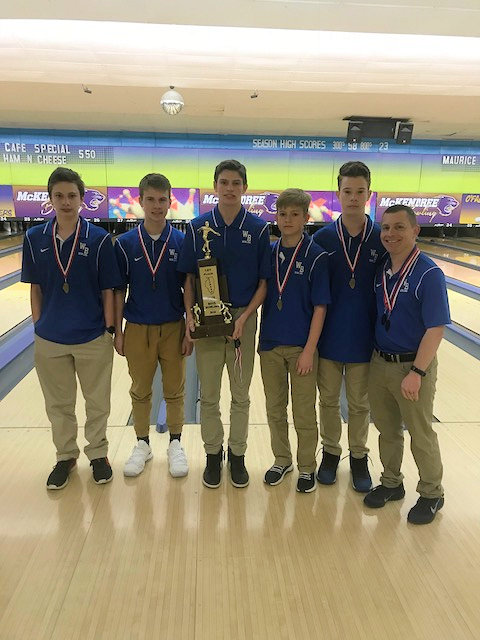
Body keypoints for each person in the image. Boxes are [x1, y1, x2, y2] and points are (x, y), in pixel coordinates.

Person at [21, 167, 122, 489]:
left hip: (92, 336)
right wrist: (39, 326)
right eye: (59, 195)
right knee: (58, 405)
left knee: (97, 404)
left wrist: (108, 330)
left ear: (81, 199)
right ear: (50, 199)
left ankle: (98, 454)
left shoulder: (100, 239)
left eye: (72, 196)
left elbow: (109, 290)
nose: (66, 202)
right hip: (50, 338)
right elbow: (35, 287)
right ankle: (65, 457)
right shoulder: (34, 237)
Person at [178, 159, 271, 489]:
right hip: (208, 319)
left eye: (236, 183)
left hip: (243, 319)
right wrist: (190, 315)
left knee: (241, 394)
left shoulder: (259, 229)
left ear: (245, 188)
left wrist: (245, 318)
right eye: (224, 182)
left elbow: (264, 282)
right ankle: (213, 455)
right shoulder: (197, 226)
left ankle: (238, 455)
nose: (230, 188)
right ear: (215, 187)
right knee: (210, 395)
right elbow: (189, 277)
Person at [364, 205, 449, 524]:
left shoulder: (429, 273)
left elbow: (436, 328)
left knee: (420, 432)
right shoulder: (382, 269)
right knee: (387, 430)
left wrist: (417, 373)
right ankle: (391, 482)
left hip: (414, 367)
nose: (390, 234)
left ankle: (431, 492)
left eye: (399, 227)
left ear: (416, 231)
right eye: (385, 228)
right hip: (380, 363)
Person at [114, 173, 192, 478]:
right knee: (140, 390)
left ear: (170, 202)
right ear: (140, 201)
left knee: (175, 390)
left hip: (173, 326)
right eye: (151, 199)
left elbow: (189, 287)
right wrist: (118, 331)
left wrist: (189, 329)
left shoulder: (183, 242)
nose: (157, 206)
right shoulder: (125, 244)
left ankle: (175, 443)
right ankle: (142, 444)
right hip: (137, 327)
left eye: (162, 200)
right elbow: (119, 289)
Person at [313, 161, 385, 492]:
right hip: (328, 339)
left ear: (369, 194)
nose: (353, 198)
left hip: (364, 339)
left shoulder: (382, 238)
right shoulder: (324, 237)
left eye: (360, 192)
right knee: (328, 400)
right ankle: (330, 453)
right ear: (337, 194)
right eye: (347, 192)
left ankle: (358, 457)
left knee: (359, 404)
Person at [259, 189, 330, 493]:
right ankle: (281, 459)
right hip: (270, 345)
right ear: (276, 217)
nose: (287, 220)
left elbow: (320, 307)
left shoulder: (316, 256)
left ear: (305, 217)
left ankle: (306, 467)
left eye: (294, 214)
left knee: (303, 411)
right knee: (274, 409)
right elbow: (263, 290)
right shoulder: (270, 252)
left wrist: (309, 351)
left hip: (302, 348)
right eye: (282, 214)